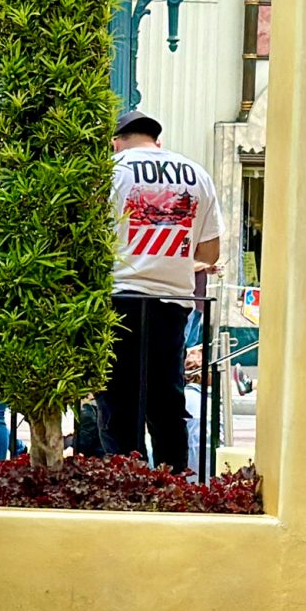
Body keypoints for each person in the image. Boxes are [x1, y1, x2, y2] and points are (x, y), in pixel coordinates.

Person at [100, 111, 223, 473]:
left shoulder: (111, 171)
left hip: (120, 298)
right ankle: (172, 485)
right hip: (173, 303)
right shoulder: (195, 174)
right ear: (158, 140)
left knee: (119, 404)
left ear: (116, 141)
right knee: (167, 402)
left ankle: (125, 484)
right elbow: (209, 253)